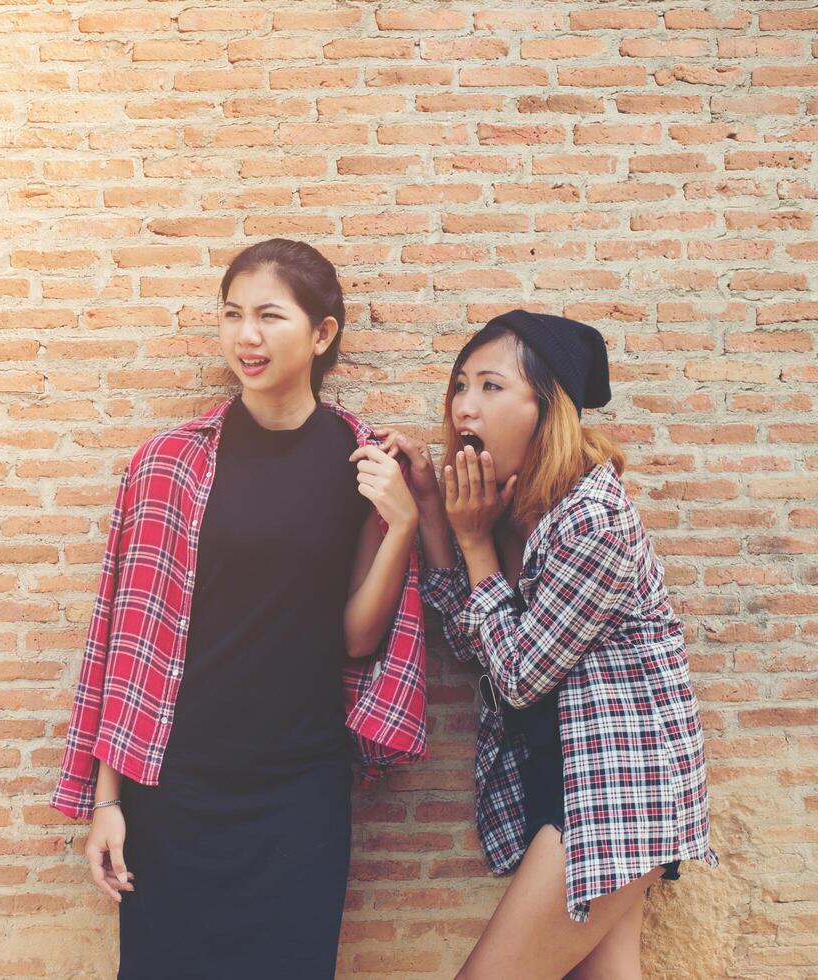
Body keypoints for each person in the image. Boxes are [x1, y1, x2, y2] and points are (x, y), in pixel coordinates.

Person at [50, 239, 428, 979]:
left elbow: (354, 639)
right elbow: (120, 644)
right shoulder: (167, 463)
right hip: (176, 782)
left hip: (298, 785)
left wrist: (404, 526)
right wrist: (107, 802)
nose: (244, 337)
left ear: (322, 335)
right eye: (231, 315)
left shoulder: (359, 464)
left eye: (267, 316)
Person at [376, 309, 717, 979]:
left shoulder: (592, 519)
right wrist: (434, 516)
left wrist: (473, 543)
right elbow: (467, 640)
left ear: (545, 408)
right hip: (559, 786)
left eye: (491, 386)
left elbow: (518, 676)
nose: (464, 405)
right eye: (460, 385)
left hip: (612, 797)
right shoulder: (512, 511)